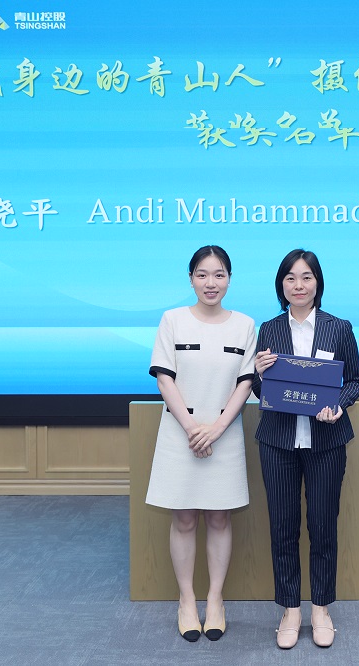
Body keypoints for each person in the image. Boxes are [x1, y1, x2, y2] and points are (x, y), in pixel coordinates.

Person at [251, 248, 359, 649]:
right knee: (282, 528)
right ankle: (289, 609)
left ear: (318, 283)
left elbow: (355, 381)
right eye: (290, 278)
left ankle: (320, 608)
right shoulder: (268, 329)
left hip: (327, 442)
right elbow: (261, 389)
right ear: (281, 285)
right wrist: (257, 374)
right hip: (278, 442)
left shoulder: (339, 328)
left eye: (306, 277)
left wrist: (340, 405)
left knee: (322, 526)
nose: (298, 285)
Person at [145, 245, 256, 642]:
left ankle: (215, 599)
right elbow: (164, 378)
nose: (211, 283)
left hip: (224, 434)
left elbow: (246, 382)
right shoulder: (172, 320)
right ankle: (187, 601)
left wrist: (217, 428)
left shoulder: (245, 325)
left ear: (229, 279)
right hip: (181, 433)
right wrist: (194, 428)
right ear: (191, 279)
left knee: (220, 518)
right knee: (184, 519)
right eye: (203, 274)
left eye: (219, 274)